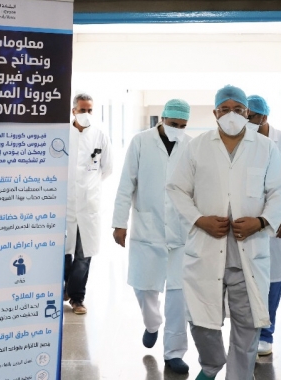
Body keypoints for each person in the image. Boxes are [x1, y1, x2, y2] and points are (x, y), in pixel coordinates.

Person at [167, 85, 281, 380]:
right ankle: (212, 364)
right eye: (225, 109)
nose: (231, 115)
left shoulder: (265, 147)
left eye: (238, 109)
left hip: (247, 249)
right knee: (201, 320)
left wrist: (261, 221)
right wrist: (199, 220)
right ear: (215, 113)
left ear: (247, 113)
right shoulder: (197, 146)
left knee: (247, 325)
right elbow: (176, 188)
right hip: (206, 247)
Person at [112, 99, 193, 375]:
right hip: (148, 226)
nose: (177, 129)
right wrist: (119, 223)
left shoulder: (190, 145)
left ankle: (174, 353)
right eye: (173, 124)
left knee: (178, 295)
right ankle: (152, 323)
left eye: (182, 125)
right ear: (162, 119)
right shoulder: (140, 142)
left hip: (181, 231)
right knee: (144, 287)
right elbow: (126, 184)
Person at [245, 95, 281, 357]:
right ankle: (248, 333)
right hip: (249, 218)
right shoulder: (242, 141)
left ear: (263, 117)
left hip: (277, 219)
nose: (244, 122)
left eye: (249, 117)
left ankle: (266, 334)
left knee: (275, 276)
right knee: (247, 277)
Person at [65, 93, 113, 314]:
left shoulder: (100, 135)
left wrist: (89, 187)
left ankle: (77, 298)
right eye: (82, 110)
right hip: (65, 204)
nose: (86, 114)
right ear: (73, 111)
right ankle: (66, 289)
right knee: (64, 253)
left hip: (88, 204)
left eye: (89, 110)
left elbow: (107, 168)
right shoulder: (63, 133)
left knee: (83, 254)